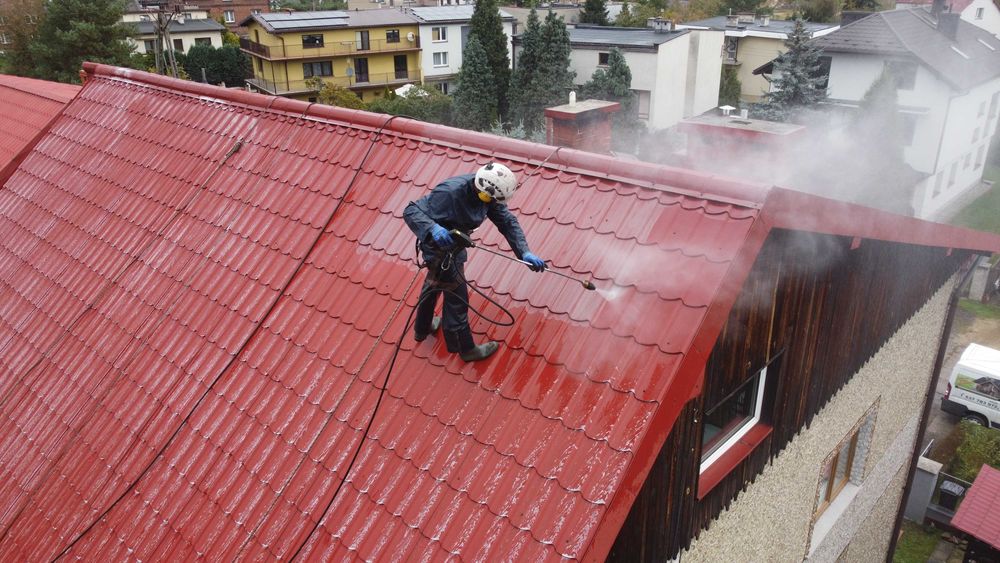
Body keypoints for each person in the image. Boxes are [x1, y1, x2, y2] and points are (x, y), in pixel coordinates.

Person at [403, 162, 546, 362]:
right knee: (457, 300)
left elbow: (507, 222)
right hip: (438, 248)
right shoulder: (450, 193)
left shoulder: (489, 194)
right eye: (489, 199)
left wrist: (524, 252)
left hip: (454, 245)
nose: (490, 203)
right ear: (482, 189)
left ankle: (422, 327)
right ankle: (466, 349)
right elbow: (410, 211)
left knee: (433, 284)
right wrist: (432, 228)